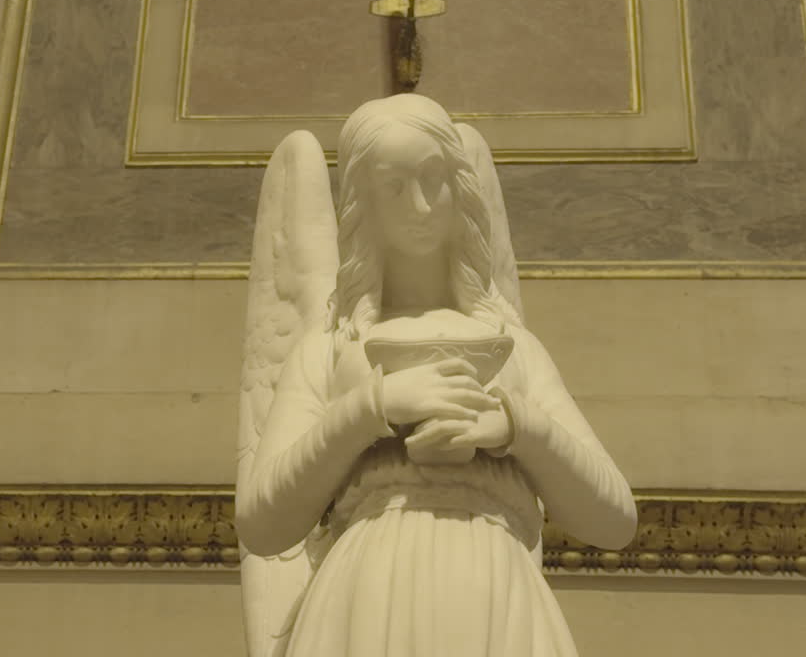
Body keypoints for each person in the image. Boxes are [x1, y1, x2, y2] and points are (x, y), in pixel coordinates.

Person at [236, 94, 636, 657]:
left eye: (433, 179)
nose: (420, 206)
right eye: (394, 187)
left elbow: (615, 519)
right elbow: (262, 524)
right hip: (367, 596)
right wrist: (371, 408)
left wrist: (516, 427)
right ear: (363, 202)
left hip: (497, 596)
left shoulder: (514, 346)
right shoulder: (329, 348)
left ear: (458, 186)